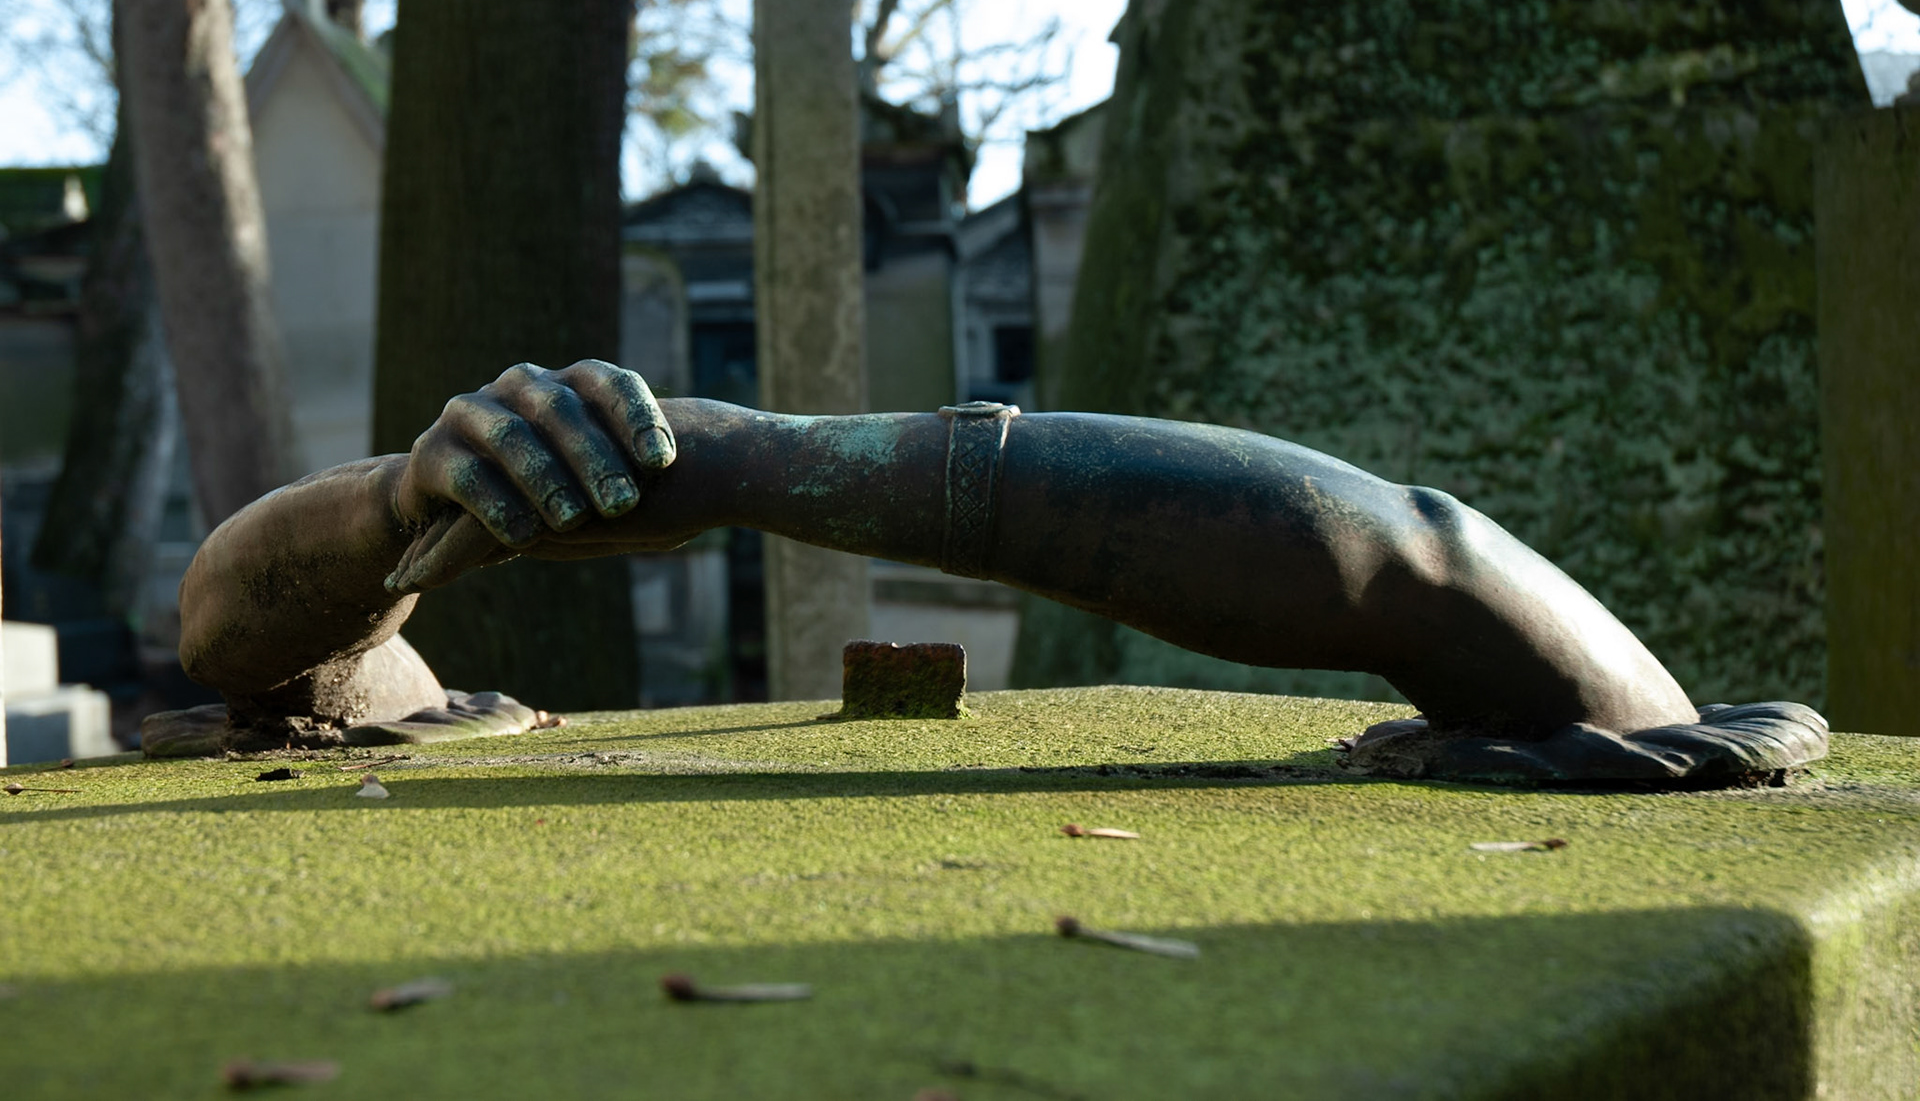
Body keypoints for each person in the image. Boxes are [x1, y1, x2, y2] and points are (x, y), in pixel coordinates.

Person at [144, 360, 1821, 781]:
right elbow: (245, 649)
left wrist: (758, 460)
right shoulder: (398, 699)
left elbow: (1422, 572)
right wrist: (394, 503)